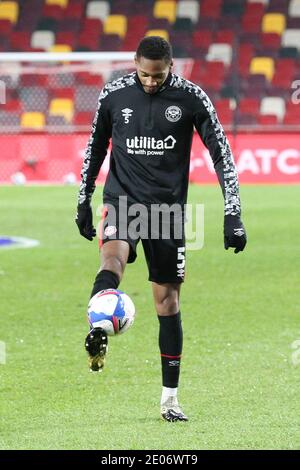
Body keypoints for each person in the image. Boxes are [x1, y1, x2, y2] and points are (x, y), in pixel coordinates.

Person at [76, 36, 247, 422]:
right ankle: (100, 323)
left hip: (167, 211)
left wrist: (233, 213)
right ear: (134, 63)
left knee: (167, 302)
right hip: (122, 199)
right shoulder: (114, 94)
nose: (150, 82)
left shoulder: (191, 97)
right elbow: (95, 147)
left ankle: (170, 400)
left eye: (157, 75)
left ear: (171, 66)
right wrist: (83, 200)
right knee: (113, 255)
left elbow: (221, 153)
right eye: (143, 74)